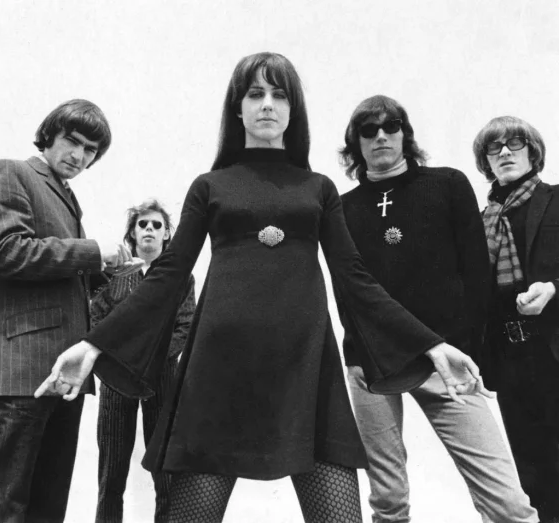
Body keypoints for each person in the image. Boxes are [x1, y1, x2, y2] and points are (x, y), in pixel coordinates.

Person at [36, 53, 488, 523]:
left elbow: (357, 281)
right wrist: (94, 344)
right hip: (217, 374)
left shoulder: (319, 189)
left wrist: (430, 344)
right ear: (238, 108)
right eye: (255, 94)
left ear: (294, 110)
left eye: (279, 95)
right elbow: (167, 275)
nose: (267, 104)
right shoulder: (210, 186)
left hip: (307, 371)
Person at [336, 96, 537, 523]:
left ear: (405, 133)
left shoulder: (447, 184)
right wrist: (356, 357)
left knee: (508, 504)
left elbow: (477, 275)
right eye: (368, 130)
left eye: (391, 126)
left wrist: (469, 350)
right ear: (356, 144)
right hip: (374, 364)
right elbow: (349, 294)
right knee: (389, 501)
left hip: (448, 360)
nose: (381, 136)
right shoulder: (344, 208)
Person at [0, 99, 136, 523]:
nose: (79, 155)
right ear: (49, 134)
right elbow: (5, 251)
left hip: (65, 374)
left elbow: (60, 276)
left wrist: (107, 272)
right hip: (20, 370)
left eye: (90, 150)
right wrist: (93, 251)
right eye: (72, 141)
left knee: (47, 510)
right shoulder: (10, 172)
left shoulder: (68, 197)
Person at [473, 116, 559, 523]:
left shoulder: (556, 200)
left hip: (553, 348)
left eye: (515, 143)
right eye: (495, 147)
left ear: (533, 151)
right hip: (509, 358)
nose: (505, 152)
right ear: (486, 160)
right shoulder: (480, 221)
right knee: (531, 469)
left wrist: (554, 288)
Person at [93, 199, 196, 523]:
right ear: (133, 233)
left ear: (166, 234)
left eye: (156, 225)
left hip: (162, 380)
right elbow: (96, 321)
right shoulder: (113, 275)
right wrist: (122, 362)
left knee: (165, 473)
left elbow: (185, 327)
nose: (149, 229)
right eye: (143, 224)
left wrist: (150, 360)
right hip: (116, 380)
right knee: (111, 473)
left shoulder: (180, 277)